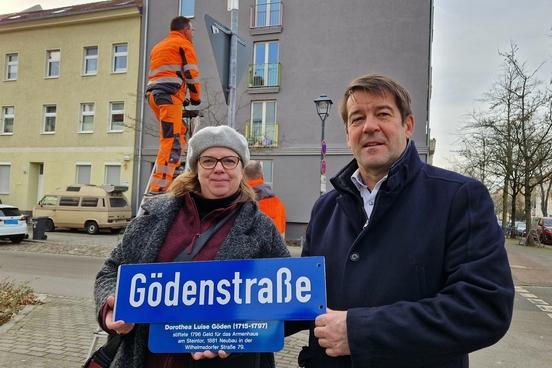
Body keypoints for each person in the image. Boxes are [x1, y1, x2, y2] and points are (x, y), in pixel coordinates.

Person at [296, 74, 514, 368]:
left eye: (383, 114)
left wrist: (361, 331)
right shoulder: (325, 208)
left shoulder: (459, 197)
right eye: (357, 118)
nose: (369, 126)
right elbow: (302, 300)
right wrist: (228, 333)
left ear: (408, 126)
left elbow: (483, 308)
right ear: (348, 134)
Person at [94, 125, 290, 368]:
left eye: (229, 160)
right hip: (143, 359)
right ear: (196, 167)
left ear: (241, 169)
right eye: (208, 160)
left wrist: (239, 335)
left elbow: (287, 305)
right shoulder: (152, 216)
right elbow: (112, 269)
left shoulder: (261, 229)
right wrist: (110, 304)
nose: (219, 168)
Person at [146, 16, 201, 194]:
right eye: (192, 31)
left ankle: (173, 166)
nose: (193, 34)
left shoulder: (159, 46)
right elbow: (191, 74)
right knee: (171, 142)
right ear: (185, 30)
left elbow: (165, 75)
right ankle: (159, 188)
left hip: (155, 97)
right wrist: (195, 98)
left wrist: (181, 98)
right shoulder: (184, 45)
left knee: (181, 131)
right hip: (169, 98)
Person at [244, 160, 287, 237]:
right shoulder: (277, 203)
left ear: (242, 176)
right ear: (262, 176)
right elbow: (281, 235)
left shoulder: (237, 202)